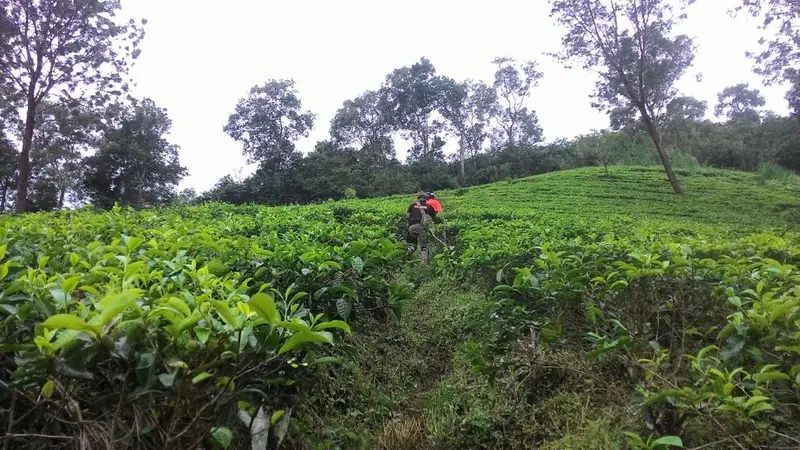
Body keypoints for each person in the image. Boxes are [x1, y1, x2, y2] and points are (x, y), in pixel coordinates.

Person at [406, 194, 437, 262]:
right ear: (426, 199)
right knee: (424, 246)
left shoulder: (412, 205)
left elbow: (407, 216)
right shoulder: (429, 206)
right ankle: (423, 264)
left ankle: (407, 254)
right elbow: (434, 218)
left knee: (412, 244)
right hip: (422, 227)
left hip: (412, 227)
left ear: (418, 199)